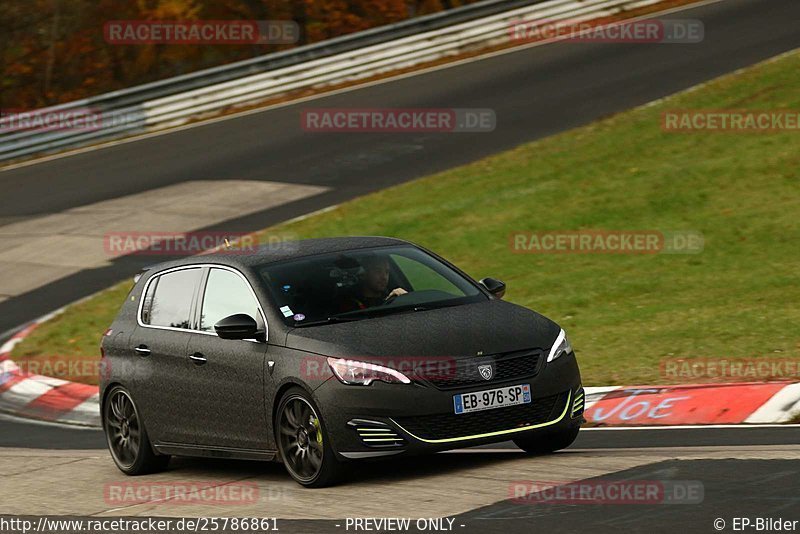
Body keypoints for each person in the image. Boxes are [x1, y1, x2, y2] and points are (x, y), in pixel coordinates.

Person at [338, 254, 407, 312]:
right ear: (363, 274)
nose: (384, 277)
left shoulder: (394, 296)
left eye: (387, 272)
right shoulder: (350, 304)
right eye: (378, 271)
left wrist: (404, 298)